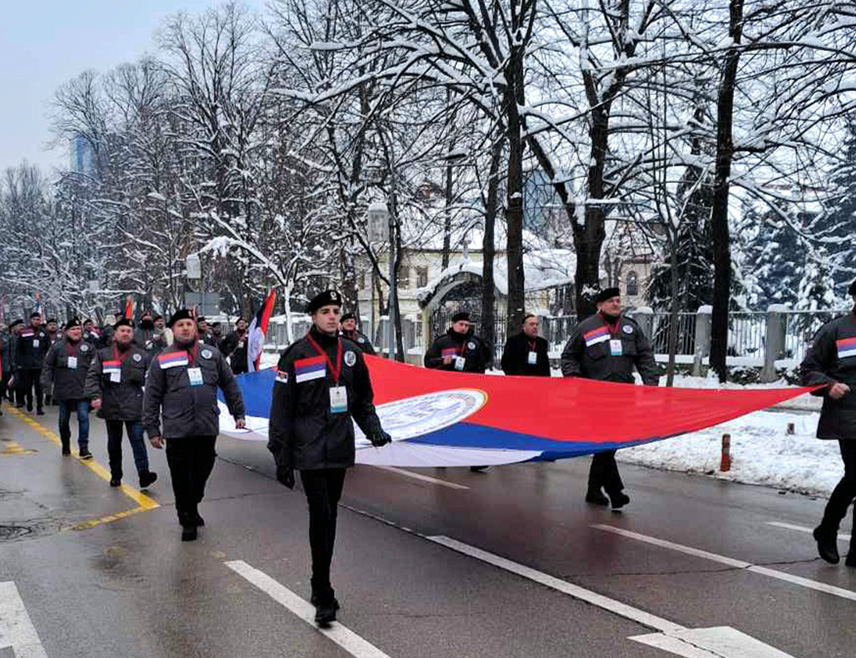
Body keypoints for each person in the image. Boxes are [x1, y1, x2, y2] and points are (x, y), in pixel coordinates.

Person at [268, 290, 391, 627]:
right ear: (313, 316)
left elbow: (362, 401)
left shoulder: (351, 354)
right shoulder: (295, 356)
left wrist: (374, 429)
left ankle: (317, 580)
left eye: (336, 311)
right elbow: (281, 411)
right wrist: (282, 456)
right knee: (321, 514)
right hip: (308, 451)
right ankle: (323, 591)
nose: (333, 317)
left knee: (329, 515)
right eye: (325, 311)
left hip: (338, 448)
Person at [143, 309, 245, 541]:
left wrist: (238, 412)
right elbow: (152, 396)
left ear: (196, 327)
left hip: (206, 426)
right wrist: (152, 429)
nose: (186, 328)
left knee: (203, 469)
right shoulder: (163, 358)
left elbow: (229, 384)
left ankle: (193, 501)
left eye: (189, 323)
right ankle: (187, 517)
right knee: (181, 476)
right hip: (177, 429)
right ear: (173, 330)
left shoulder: (212, 354)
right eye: (180, 325)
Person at [560, 287, 659, 509]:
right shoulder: (586, 327)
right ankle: (616, 492)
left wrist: (651, 382)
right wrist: (574, 378)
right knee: (606, 442)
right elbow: (569, 356)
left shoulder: (630, 327)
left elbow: (645, 355)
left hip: (623, 397)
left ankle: (594, 490)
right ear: (599, 305)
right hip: (594, 397)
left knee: (608, 445)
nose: (616, 304)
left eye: (617, 300)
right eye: (611, 301)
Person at [801, 279, 856, 566]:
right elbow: (808, 369)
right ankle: (828, 529)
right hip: (847, 415)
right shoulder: (835, 331)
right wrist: (829, 385)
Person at [86, 318, 157, 489]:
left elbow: (153, 379)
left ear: (132, 335)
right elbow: (93, 376)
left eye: (129, 331)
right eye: (122, 330)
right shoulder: (103, 354)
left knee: (138, 441)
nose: (125, 333)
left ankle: (144, 474)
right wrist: (95, 396)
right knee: (114, 443)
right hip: (112, 405)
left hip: (134, 404)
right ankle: (116, 474)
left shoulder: (142, 356)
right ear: (115, 334)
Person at [41, 318, 96, 457]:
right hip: (63, 389)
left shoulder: (88, 347)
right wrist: (47, 385)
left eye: (78, 329)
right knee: (63, 420)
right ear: (66, 331)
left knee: (83, 417)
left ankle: (84, 447)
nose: (77, 331)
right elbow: (47, 365)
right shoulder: (57, 347)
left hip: (82, 389)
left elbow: (96, 368)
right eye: (73, 329)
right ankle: (65, 444)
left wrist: (96, 389)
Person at [424, 311, 492, 373]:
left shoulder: (476, 342)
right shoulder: (441, 342)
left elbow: (484, 363)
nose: (463, 328)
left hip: (469, 382)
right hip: (447, 381)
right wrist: (442, 361)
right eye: (461, 324)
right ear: (453, 324)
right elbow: (428, 362)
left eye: (466, 325)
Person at [15, 312, 49, 415]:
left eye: (38, 319)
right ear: (30, 320)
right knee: (28, 386)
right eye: (35, 319)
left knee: (39, 387)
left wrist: (45, 360)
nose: (36, 321)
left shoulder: (44, 332)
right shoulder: (24, 332)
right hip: (27, 365)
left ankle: (39, 407)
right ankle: (29, 402)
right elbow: (19, 349)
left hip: (40, 365)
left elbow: (48, 348)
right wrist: (19, 362)